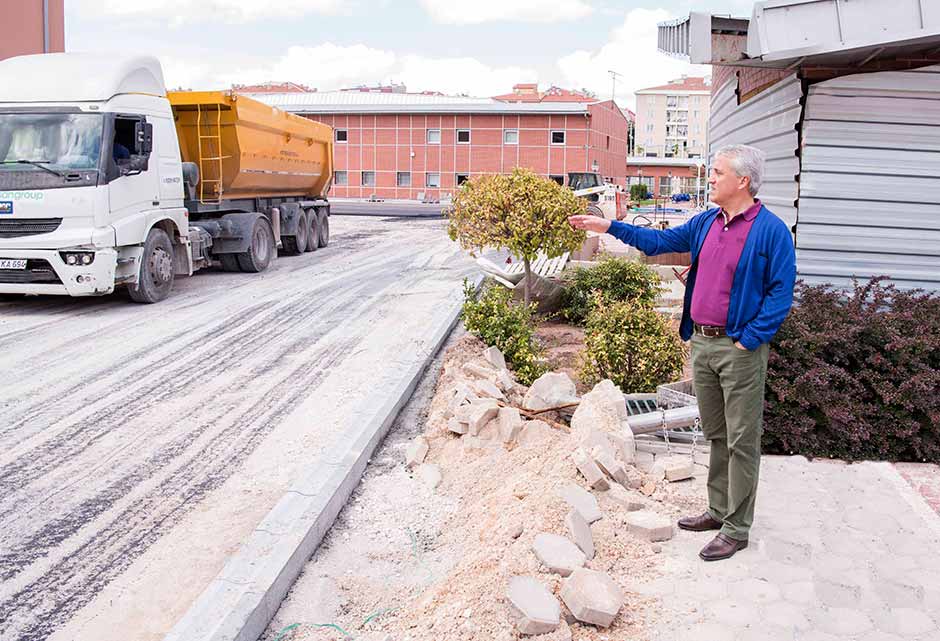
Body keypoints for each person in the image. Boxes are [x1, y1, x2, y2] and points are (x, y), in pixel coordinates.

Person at [568, 144, 796, 561]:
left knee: (742, 440)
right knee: (716, 434)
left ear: (742, 181)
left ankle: (737, 527)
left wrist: (750, 338)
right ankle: (717, 510)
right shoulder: (706, 222)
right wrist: (609, 227)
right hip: (703, 344)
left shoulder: (771, 230)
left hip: (740, 349)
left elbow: (781, 292)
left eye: (717, 173)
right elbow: (656, 242)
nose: (710, 178)